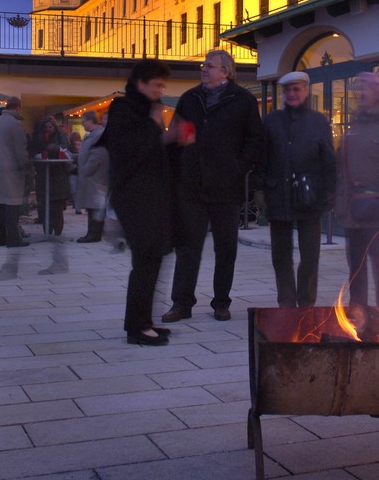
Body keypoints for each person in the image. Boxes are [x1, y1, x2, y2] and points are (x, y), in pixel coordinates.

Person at [163, 49, 264, 323]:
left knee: (226, 248)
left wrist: (237, 167)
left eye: (209, 66)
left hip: (226, 188)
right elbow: (176, 139)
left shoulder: (242, 100)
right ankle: (181, 303)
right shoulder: (190, 99)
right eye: (202, 65)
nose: (203, 69)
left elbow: (255, 140)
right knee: (187, 248)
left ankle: (221, 302)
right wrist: (178, 171)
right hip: (191, 187)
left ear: (226, 72)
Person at [103, 60, 175, 345]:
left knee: (152, 258)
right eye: (156, 84)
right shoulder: (123, 109)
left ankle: (144, 320)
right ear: (141, 83)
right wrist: (160, 129)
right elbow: (131, 152)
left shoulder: (145, 110)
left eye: (162, 85)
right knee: (145, 259)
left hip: (151, 196)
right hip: (134, 197)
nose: (160, 90)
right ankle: (137, 328)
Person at [259, 71, 337, 309]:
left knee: (310, 255)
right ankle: (286, 300)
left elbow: (328, 161)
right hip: (278, 195)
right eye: (288, 90)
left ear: (306, 91)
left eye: (296, 89)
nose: (292, 94)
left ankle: (306, 301)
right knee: (280, 255)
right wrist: (260, 189)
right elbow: (261, 157)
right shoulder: (272, 120)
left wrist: (328, 192)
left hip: (309, 196)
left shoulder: (318, 121)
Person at [334, 72, 379, 307]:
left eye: (365, 88)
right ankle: (358, 316)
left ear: (378, 93)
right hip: (353, 208)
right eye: (359, 88)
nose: (360, 93)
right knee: (356, 268)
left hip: (378, 209)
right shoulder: (354, 124)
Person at [0, 96, 29, 248]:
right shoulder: (15, 125)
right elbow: (20, 150)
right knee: (12, 205)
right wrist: (25, 166)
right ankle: (13, 239)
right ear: (18, 107)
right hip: (11, 171)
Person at [74, 111, 109, 243]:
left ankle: (94, 234)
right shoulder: (92, 135)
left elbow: (98, 155)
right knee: (91, 205)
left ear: (91, 121)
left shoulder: (98, 135)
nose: (82, 123)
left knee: (94, 205)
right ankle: (91, 232)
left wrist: (86, 168)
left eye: (84, 121)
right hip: (90, 175)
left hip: (95, 176)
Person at [40, 141, 73, 236]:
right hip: (59, 191)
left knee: (47, 211)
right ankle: (57, 232)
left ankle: (48, 231)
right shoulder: (63, 160)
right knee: (58, 212)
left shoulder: (43, 163)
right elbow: (70, 167)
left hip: (48, 190)